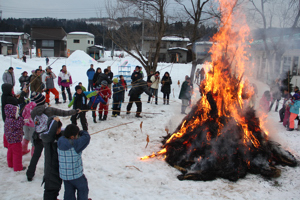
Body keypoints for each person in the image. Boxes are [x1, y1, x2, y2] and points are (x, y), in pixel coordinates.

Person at [26, 92, 78, 181]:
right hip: (48, 136)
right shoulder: (49, 110)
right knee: (48, 157)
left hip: (38, 136)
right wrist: (75, 111)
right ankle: (47, 175)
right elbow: (64, 113)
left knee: (35, 156)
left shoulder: (33, 111)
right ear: (43, 101)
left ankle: (30, 174)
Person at [57, 124, 90, 200]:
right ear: (72, 137)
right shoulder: (75, 144)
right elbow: (87, 137)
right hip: (76, 176)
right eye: (76, 135)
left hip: (65, 176)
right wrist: (81, 132)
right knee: (83, 189)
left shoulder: (60, 141)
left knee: (69, 192)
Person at [40, 116, 63, 200]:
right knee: (50, 188)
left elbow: (67, 131)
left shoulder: (59, 135)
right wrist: (54, 122)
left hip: (57, 167)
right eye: (56, 129)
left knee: (56, 186)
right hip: (50, 169)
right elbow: (50, 135)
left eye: (59, 129)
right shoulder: (45, 136)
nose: (58, 131)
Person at [1, 83, 27, 148]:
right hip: (10, 116)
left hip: (5, 115)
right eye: (11, 89)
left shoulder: (4, 95)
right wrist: (23, 92)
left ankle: (6, 143)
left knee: (7, 128)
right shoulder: (9, 98)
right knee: (11, 129)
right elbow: (19, 101)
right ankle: (9, 143)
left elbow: (13, 100)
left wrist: (15, 96)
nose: (12, 89)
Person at [4, 104, 25, 171]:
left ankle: (10, 164)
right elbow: (21, 123)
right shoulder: (15, 121)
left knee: (10, 152)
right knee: (17, 154)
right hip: (16, 140)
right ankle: (18, 168)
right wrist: (21, 118)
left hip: (10, 140)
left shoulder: (7, 119)